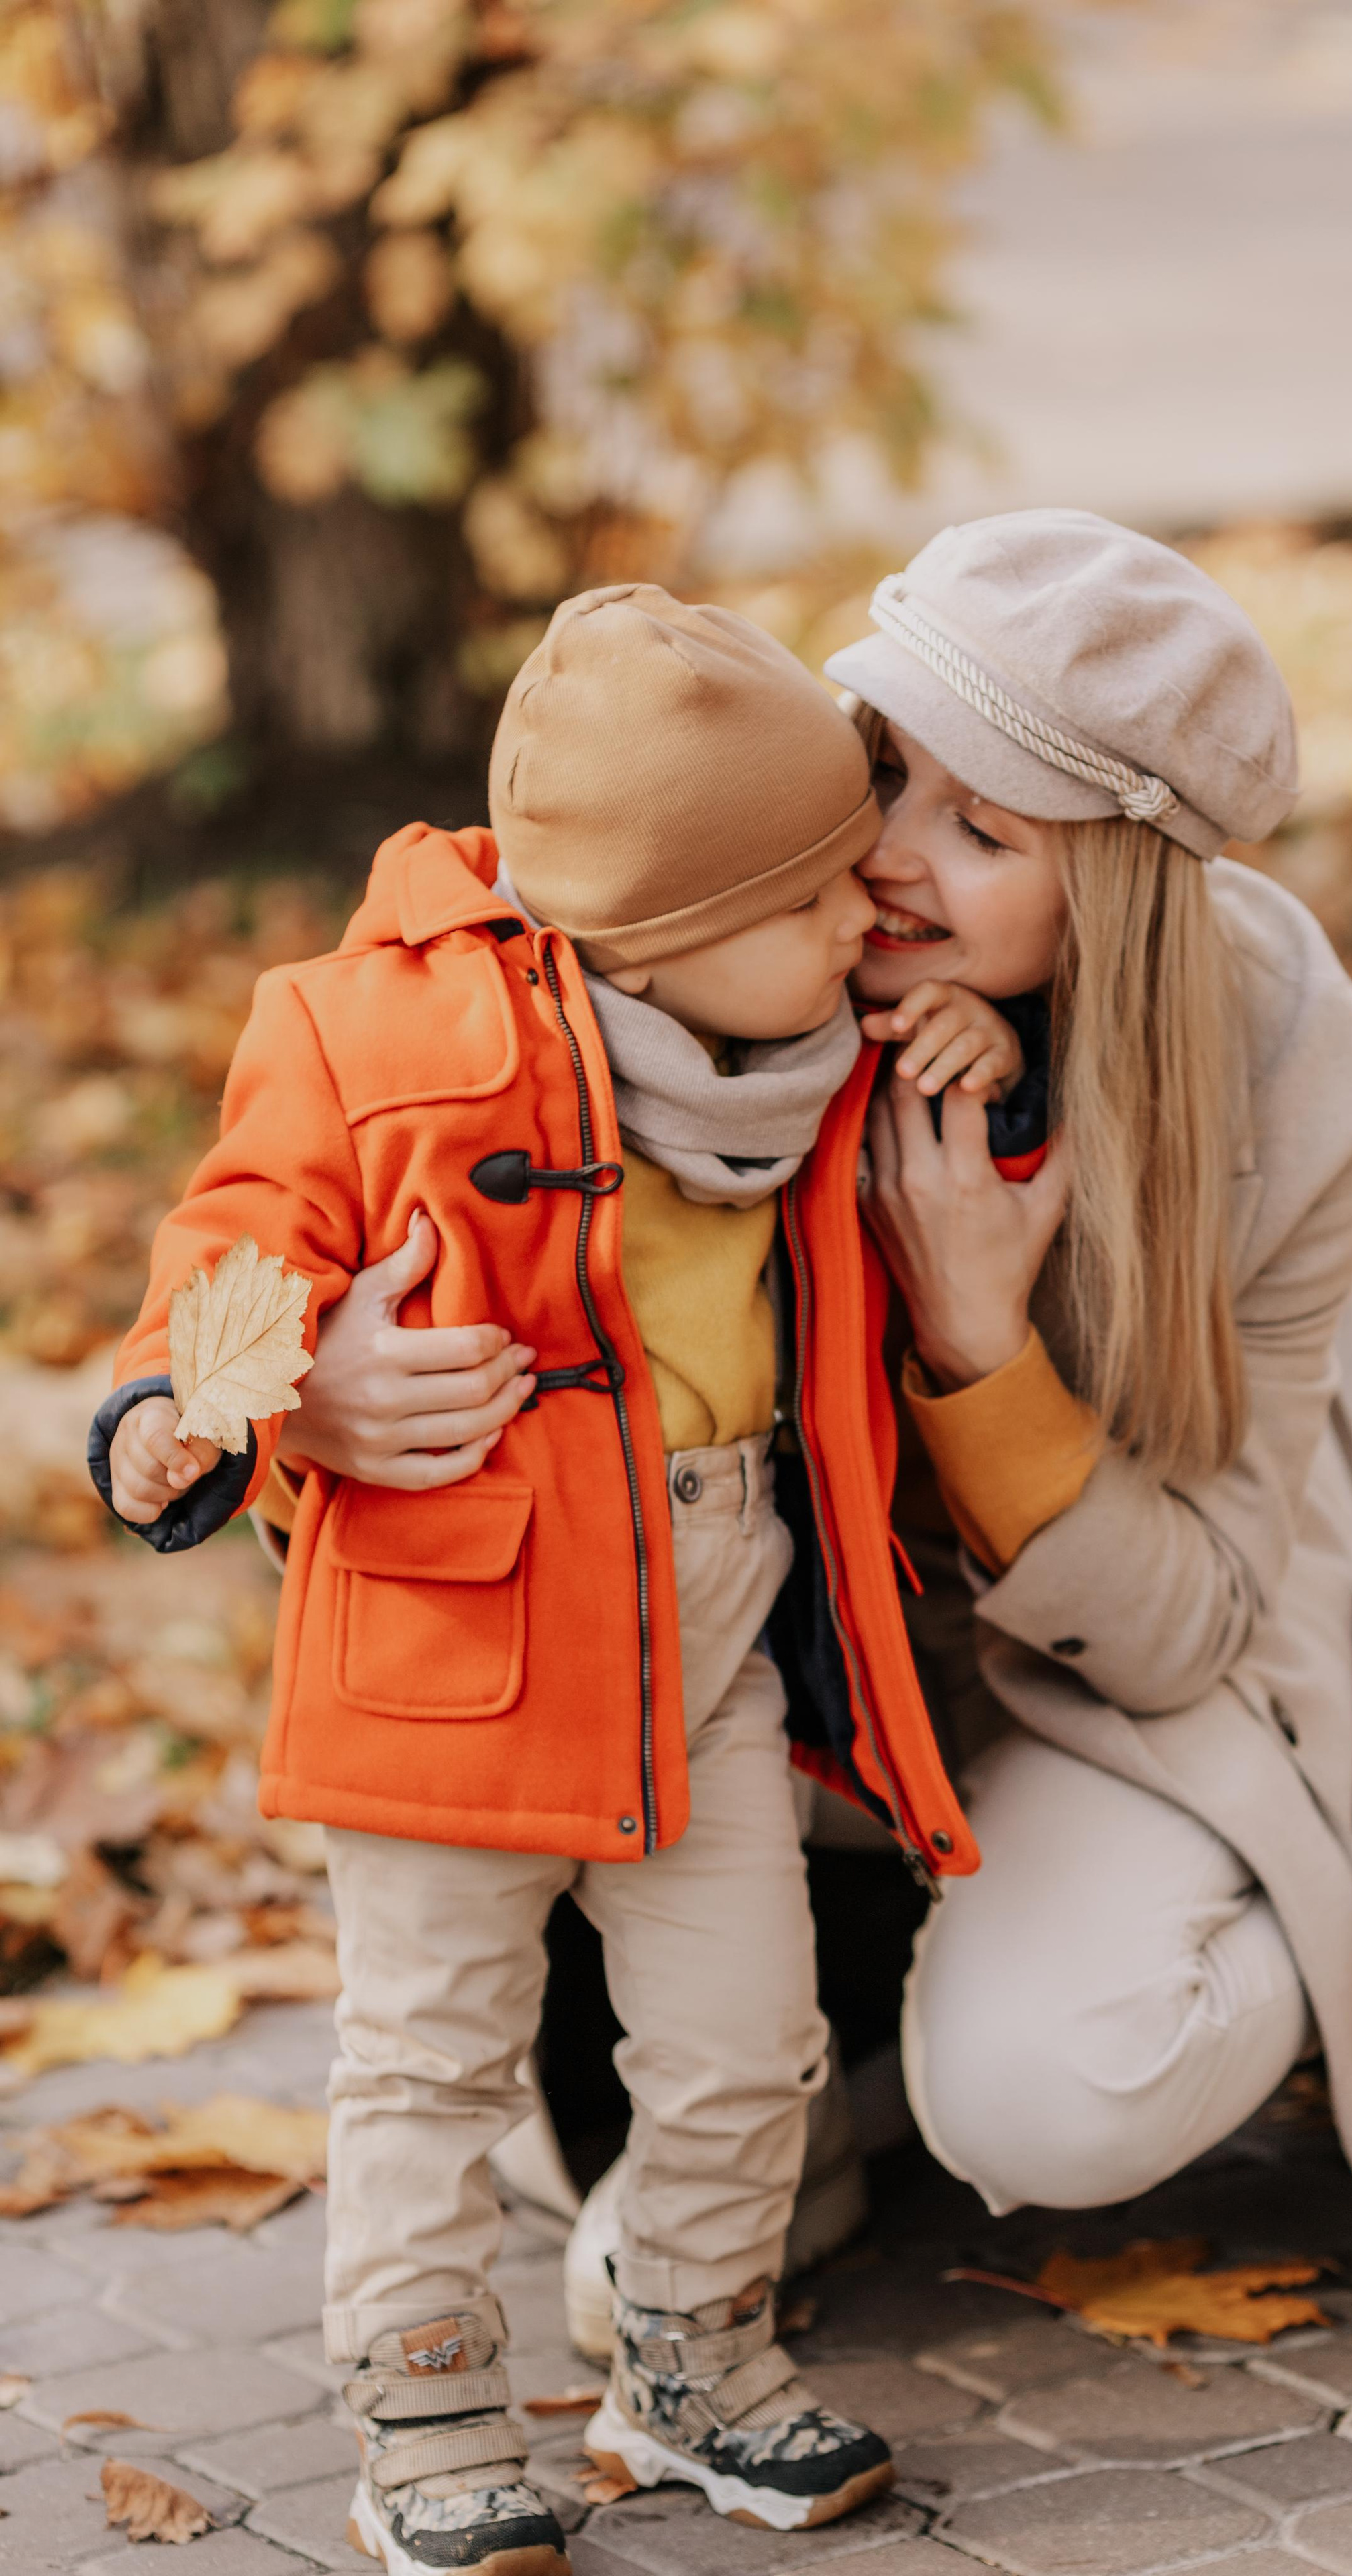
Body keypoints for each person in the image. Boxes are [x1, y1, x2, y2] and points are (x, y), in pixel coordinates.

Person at [262, 513, 1352, 2319]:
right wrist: (305, 1397)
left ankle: (1283, 1938)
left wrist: (975, 1339)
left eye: (984, 830)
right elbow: (288, 1234)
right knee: (617, 2165)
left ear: (1110, 885)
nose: (876, 859)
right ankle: (822, 2062)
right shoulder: (680, 906)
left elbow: (1184, 1625)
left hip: (1085, 1696)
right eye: (884, 771)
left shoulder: (1285, 1069)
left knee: (1047, 2094)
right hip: (727, 1672)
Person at [87, 584, 1028, 2572]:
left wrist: (977, 1056)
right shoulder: (364, 1038)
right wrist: (253, 1394)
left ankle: (692, 2358)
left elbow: (954, 1188)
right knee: (426, 2055)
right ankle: (426, 2410)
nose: (870, 924)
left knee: (746, 2038)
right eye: (824, 902)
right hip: (460, 1637)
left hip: (711, 1641)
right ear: (669, 930)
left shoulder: (811, 1039)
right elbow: (217, 1267)